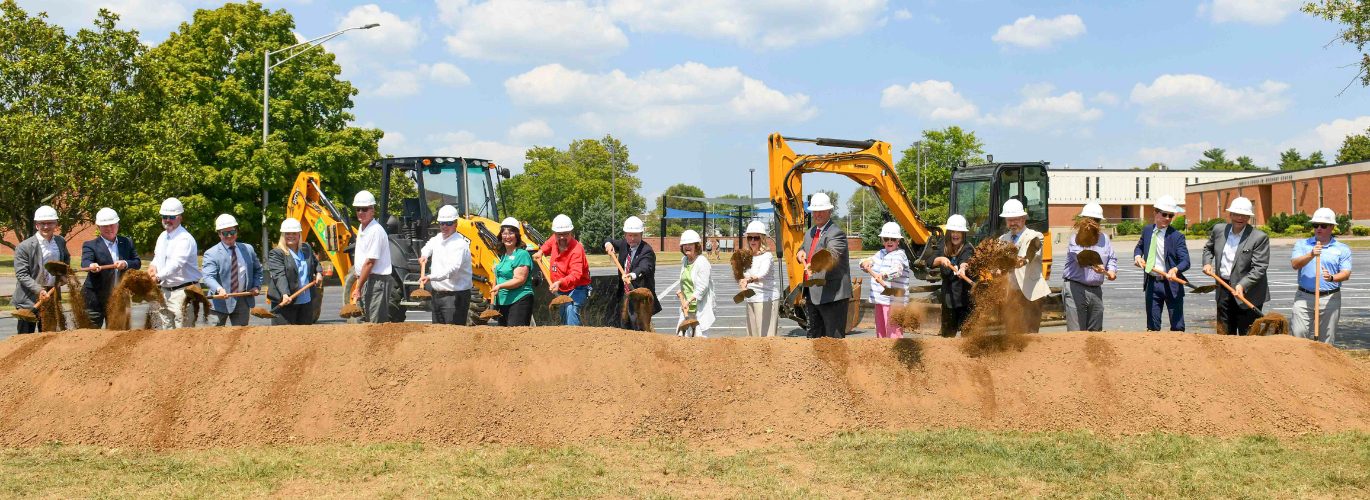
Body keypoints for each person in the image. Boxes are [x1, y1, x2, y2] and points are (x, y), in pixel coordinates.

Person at [1201, 197, 1270, 336]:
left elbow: (1259, 267)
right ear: (1230, 214)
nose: (1240, 218)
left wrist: (1242, 285)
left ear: (1249, 217)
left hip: (1248, 293)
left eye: (1244, 215)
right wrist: (1207, 262)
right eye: (1236, 214)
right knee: (1225, 334)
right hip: (1223, 288)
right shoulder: (1219, 230)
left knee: (1248, 336)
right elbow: (1208, 248)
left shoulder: (1259, 237)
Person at [795, 192, 853, 339]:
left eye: (821, 211)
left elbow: (831, 255)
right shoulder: (810, 232)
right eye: (815, 211)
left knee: (833, 341)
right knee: (814, 337)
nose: (817, 214)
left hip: (833, 296)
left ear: (829, 211)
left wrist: (813, 266)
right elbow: (804, 247)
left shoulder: (836, 233)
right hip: (813, 294)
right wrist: (800, 253)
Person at [1290, 207, 1352, 343]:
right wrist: (1311, 254)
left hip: (1330, 297)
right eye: (1315, 225)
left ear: (1332, 227)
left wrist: (1331, 278)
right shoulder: (1302, 244)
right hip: (1304, 297)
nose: (1318, 228)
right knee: (1298, 336)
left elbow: (1346, 273)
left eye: (1323, 226)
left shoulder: (1342, 248)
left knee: (1326, 341)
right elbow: (1295, 264)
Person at [1132, 195, 1190, 332]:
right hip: (1152, 283)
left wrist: (1175, 269)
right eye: (1164, 214)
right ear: (1155, 213)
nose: (1167, 218)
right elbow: (1139, 247)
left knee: (1177, 327)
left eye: (1171, 215)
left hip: (1172, 284)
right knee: (1152, 327)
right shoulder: (1147, 231)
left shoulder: (1177, 236)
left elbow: (1186, 261)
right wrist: (1138, 256)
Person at [12, 206, 69, 333]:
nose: (46, 226)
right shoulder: (24, 247)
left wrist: (64, 275)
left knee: (47, 338)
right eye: (42, 223)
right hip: (28, 299)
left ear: (56, 224)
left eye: (50, 223)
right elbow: (21, 274)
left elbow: (66, 261)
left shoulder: (60, 242)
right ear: (36, 225)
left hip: (51, 295)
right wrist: (39, 290)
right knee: (25, 339)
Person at [147, 198, 202, 329]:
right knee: (167, 335)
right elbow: (158, 257)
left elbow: (176, 264)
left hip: (183, 292)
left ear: (180, 218)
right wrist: (153, 266)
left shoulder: (185, 238)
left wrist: (158, 277)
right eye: (165, 216)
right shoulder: (162, 236)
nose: (167, 220)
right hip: (165, 292)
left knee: (183, 335)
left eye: (172, 217)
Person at [81, 207, 141, 329]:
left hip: (118, 297)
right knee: (90, 335)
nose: (109, 229)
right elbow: (86, 261)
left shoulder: (127, 242)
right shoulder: (90, 245)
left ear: (117, 225)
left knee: (116, 335)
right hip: (95, 298)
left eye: (112, 225)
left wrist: (125, 263)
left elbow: (137, 262)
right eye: (105, 226)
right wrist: (91, 266)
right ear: (98, 227)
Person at [1062, 204, 1118, 332]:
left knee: (1096, 331)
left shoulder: (1104, 239)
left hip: (1096, 290)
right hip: (1076, 287)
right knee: (1076, 331)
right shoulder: (1075, 240)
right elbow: (1083, 257)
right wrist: (1096, 264)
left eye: (1096, 220)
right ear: (1083, 221)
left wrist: (1111, 270)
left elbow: (1112, 258)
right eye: (1089, 219)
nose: (1093, 223)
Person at [998, 199, 1050, 334]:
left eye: (1016, 219)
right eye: (1009, 220)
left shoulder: (1035, 236)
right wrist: (996, 269)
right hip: (1011, 294)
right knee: (1011, 333)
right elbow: (997, 262)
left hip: (1030, 294)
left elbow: (1030, 253)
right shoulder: (1002, 239)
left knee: (1030, 334)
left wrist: (1022, 260)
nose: (1012, 223)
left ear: (1024, 218)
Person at [201, 214, 263, 327]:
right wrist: (219, 289)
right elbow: (208, 277)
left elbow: (257, 271)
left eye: (232, 232)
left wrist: (257, 286)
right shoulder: (211, 253)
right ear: (219, 234)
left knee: (240, 338)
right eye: (225, 233)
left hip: (242, 300)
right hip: (219, 303)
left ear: (236, 232)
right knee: (215, 338)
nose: (229, 235)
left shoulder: (248, 249)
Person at [603, 216, 661, 331]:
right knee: (625, 325)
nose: (632, 239)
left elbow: (644, 267)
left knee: (639, 326)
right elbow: (608, 240)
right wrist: (608, 244)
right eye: (630, 235)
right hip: (625, 294)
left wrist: (632, 275)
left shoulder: (647, 251)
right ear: (625, 234)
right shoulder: (625, 244)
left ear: (641, 234)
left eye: (636, 235)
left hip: (640, 297)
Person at [418, 205, 473, 326]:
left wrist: (430, 277)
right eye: (441, 223)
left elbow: (451, 270)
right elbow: (428, 246)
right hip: (438, 294)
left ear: (455, 224)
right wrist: (425, 255)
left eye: (448, 223)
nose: (444, 227)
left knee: (453, 335)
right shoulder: (438, 238)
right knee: (438, 334)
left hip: (455, 297)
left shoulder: (460, 244)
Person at [537, 214, 591, 326]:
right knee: (564, 311)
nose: (562, 238)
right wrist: (541, 251)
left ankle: (573, 338)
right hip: (561, 288)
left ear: (571, 233)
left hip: (578, 287)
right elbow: (548, 243)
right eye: (559, 235)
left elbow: (576, 275)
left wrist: (560, 282)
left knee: (570, 307)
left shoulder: (576, 250)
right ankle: (566, 337)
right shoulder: (554, 238)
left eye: (565, 234)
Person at [861, 222, 911, 339]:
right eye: (886, 239)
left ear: (898, 240)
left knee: (894, 332)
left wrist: (883, 274)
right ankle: (883, 353)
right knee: (881, 332)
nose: (889, 241)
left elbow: (897, 270)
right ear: (882, 240)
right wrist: (866, 262)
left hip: (895, 301)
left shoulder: (899, 255)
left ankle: (895, 354)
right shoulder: (881, 253)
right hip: (880, 300)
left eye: (893, 239)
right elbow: (871, 260)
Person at [266, 218, 321, 325]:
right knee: (284, 336)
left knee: (305, 335)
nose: (291, 236)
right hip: (286, 301)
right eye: (287, 233)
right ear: (283, 235)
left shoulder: (306, 248)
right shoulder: (276, 253)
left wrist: (319, 273)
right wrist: (285, 294)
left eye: (294, 233)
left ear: (299, 234)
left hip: (306, 300)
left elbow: (316, 263)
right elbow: (279, 275)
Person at [927, 214, 975, 337]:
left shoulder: (967, 248)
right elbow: (930, 261)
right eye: (953, 231)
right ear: (948, 233)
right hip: (948, 299)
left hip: (965, 299)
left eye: (958, 232)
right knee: (948, 335)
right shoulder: (943, 246)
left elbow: (966, 261)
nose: (955, 234)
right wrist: (940, 259)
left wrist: (963, 268)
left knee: (967, 335)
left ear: (963, 234)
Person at [351, 190, 394, 324]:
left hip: (377, 281)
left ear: (373, 210)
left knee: (376, 325)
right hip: (366, 280)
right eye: (358, 209)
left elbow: (370, 262)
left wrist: (357, 287)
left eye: (364, 209)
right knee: (367, 321)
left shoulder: (375, 230)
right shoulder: (363, 227)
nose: (360, 212)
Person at [489, 218, 535, 326]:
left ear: (517, 236)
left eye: (511, 233)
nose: (507, 236)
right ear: (501, 236)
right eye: (504, 233)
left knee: (515, 336)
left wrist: (499, 286)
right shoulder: (504, 256)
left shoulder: (522, 254)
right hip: (503, 302)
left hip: (519, 300)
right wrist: (498, 268)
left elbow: (519, 279)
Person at [739, 221, 780, 337]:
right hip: (751, 298)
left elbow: (763, 274)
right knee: (752, 337)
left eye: (756, 238)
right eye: (750, 238)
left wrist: (749, 280)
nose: (752, 241)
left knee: (766, 337)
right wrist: (742, 281)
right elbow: (742, 274)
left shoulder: (767, 256)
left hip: (765, 298)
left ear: (762, 239)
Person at [671, 230, 715, 337]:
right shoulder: (685, 260)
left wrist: (689, 300)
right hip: (687, 308)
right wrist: (682, 290)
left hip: (699, 308)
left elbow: (702, 288)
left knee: (700, 341)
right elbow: (688, 279)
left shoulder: (702, 262)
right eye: (684, 244)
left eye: (690, 244)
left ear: (696, 246)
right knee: (681, 337)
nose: (687, 246)